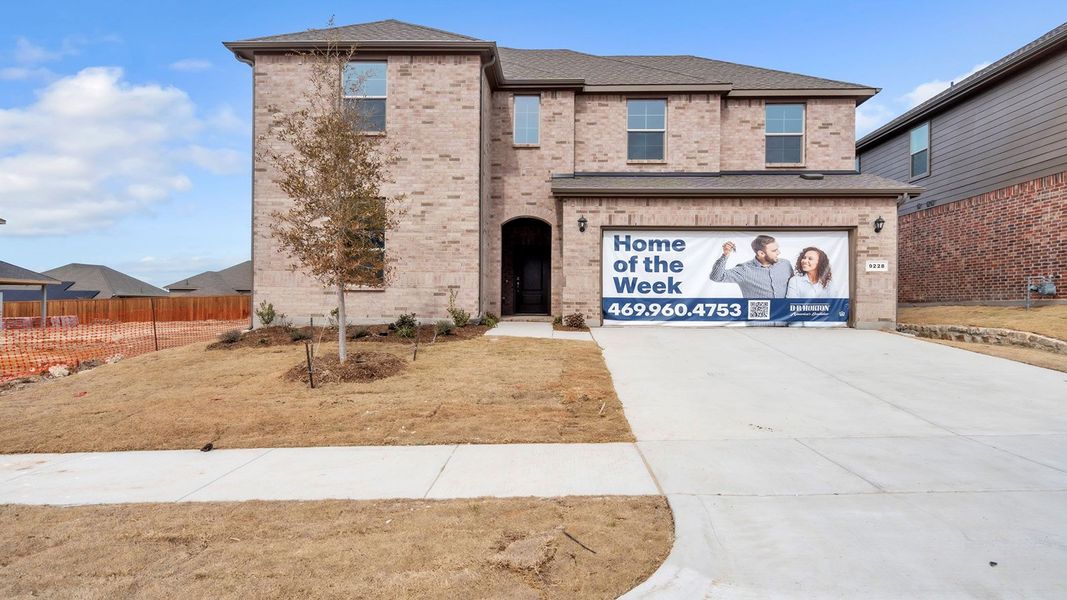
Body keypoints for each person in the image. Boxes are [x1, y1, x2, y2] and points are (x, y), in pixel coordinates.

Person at [709, 234, 793, 298]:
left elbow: (794, 287)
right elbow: (716, 277)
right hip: (760, 320)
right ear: (761, 253)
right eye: (774, 250)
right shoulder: (744, 270)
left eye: (777, 249)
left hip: (786, 320)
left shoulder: (785, 264)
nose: (779, 252)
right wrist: (725, 255)